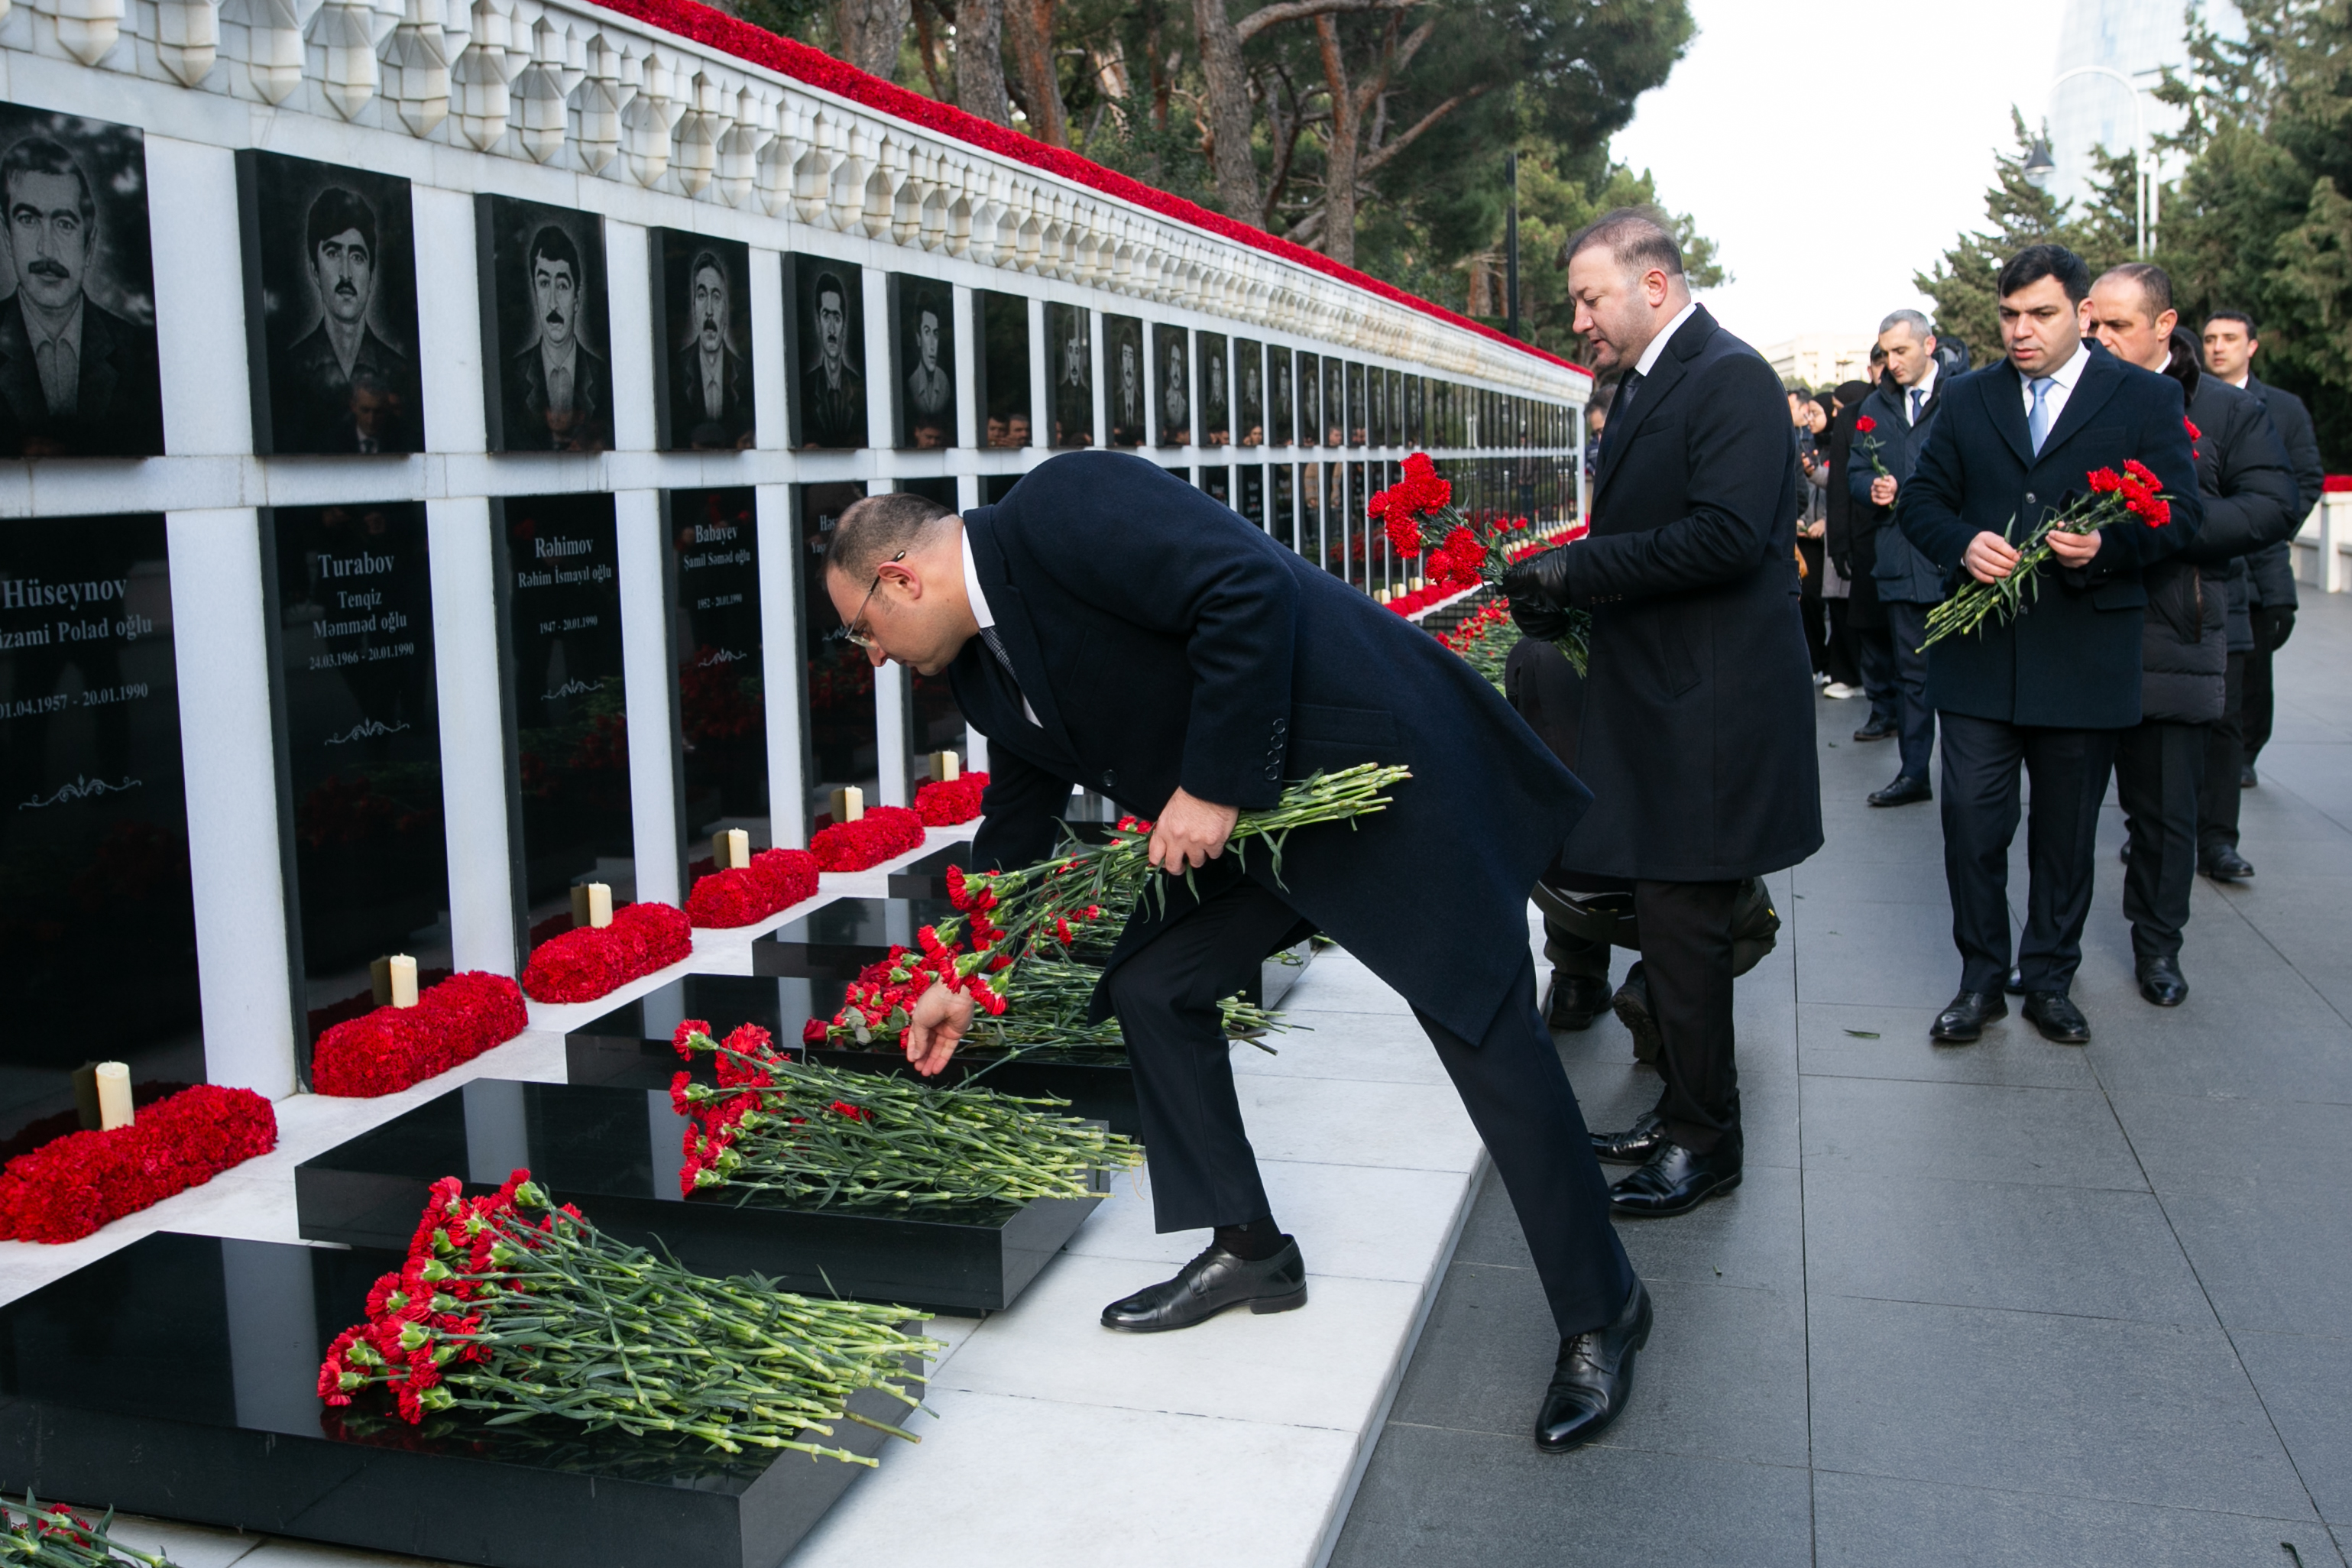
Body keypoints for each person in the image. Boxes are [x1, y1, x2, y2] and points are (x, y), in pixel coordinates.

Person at [821, 467, 1650, 1454]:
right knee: (1152, 983)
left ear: (902, 578)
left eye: (859, 630)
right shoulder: (977, 666)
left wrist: (1210, 785)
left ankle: (1603, 1309)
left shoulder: (1062, 508)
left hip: (1368, 776)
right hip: (1259, 826)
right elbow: (1017, 815)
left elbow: (1241, 587)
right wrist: (959, 970)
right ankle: (1250, 1248)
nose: (868, 656)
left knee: (1485, 1033)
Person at [1503, 209, 1820, 1218]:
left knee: (1685, 932)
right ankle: (1684, 1112)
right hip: (1670, 700)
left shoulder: (1724, 377)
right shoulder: (1649, 381)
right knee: (1675, 931)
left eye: (1590, 299)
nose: (1581, 322)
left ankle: (1704, 1142)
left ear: (1652, 285)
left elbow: (1724, 536)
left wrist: (1574, 567)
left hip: (1711, 711)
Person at [1898, 245, 2201, 1045]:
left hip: (2085, 655)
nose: (2021, 331)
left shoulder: (2142, 397)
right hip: (1979, 657)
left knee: (2066, 834)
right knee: (1971, 821)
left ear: (2082, 315)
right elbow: (1922, 502)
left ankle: (2051, 980)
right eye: (2009, 316)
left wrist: (2109, 548)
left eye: (2040, 314)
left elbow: (2180, 512)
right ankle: (1980, 980)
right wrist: (1962, 543)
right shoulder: (1967, 400)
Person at [2082, 267, 2297, 1004]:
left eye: (2117, 326)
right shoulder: (2064, 398)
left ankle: (2157, 947)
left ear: (2164, 325)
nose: (2099, 339)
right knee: (2065, 809)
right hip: (2076, 630)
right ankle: (2049, 953)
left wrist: (2167, 524)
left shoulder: (2225, 413)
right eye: (2094, 324)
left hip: (2174, 627)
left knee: (2166, 810)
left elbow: (2272, 504)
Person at [2199, 310, 2323, 805]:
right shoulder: (2186, 399)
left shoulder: (2285, 408)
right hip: (2205, 567)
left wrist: (2265, 526)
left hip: (2262, 566)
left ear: (2251, 346)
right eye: (2210, 338)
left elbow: (2306, 478)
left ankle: (2245, 758)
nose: (2217, 347)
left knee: (2253, 675)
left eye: (2229, 338)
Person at [0, 135, 163, 458]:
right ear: (7, 236)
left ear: (89, 246)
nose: (46, 248)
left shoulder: (137, 351)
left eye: (64, 223)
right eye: (28, 220)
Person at [1846, 309, 1952, 807]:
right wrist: (1873, 487)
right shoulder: (1875, 406)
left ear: (1929, 345)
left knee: (1963, 675)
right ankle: (1914, 774)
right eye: (1886, 353)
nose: (1892, 362)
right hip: (1900, 561)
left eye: (1901, 351)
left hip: (1956, 563)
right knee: (1911, 675)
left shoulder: (1965, 395)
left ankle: (1969, 778)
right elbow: (1853, 475)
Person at [274, 185, 421, 454]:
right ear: (314, 270)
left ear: (371, 273)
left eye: (356, 257)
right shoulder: (290, 370)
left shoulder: (400, 370)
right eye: (332, 254)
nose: (345, 274)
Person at [503, 224, 611, 452]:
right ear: (534, 293)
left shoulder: (602, 372)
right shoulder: (514, 373)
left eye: (562, 285)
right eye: (544, 284)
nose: (552, 302)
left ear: (577, 297)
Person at [1842, 344, 1899, 725]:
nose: (1889, 368)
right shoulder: (1856, 413)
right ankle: (1881, 709)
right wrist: (1839, 542)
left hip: (1907, 543)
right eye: (1882, 361)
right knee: (1871, 631)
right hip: (1863, 537)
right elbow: (1842, 487)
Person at [672, 249, 751, 450]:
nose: (709, 310)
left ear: (726, 308)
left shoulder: (744, 371)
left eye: (716, 297)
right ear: (694, 306)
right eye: (701, 295)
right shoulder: (676, 369)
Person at [799, 269, 863, 449]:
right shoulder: (806, 389)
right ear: (818, 323)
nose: (832, 330)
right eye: (826, 316)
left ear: (844, 324)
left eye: (837, 317)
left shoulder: (859, 387)